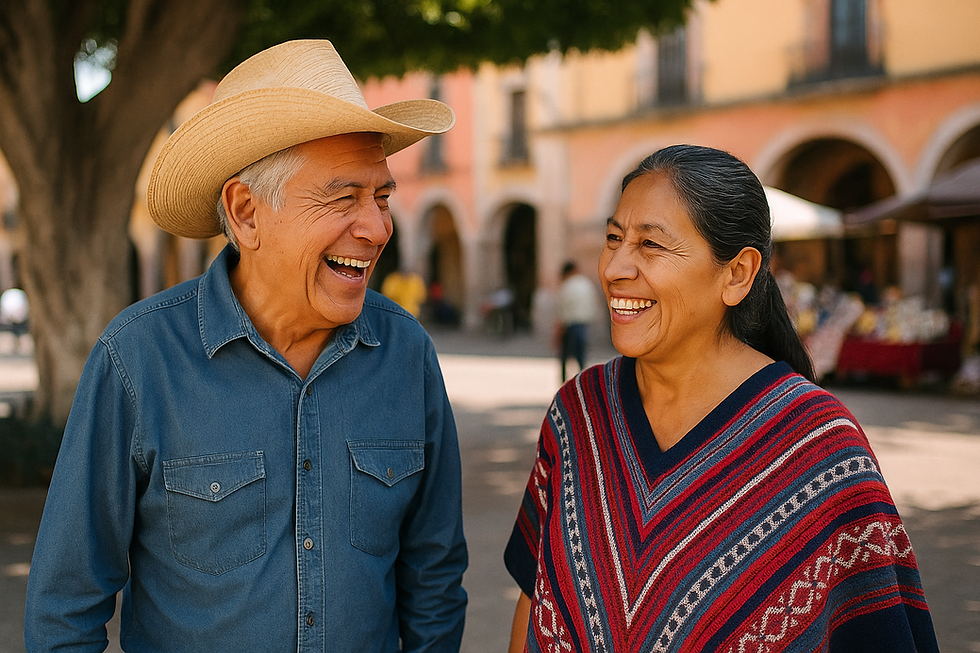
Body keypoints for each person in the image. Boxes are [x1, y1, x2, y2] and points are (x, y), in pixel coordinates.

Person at [25, 40, 467, 652]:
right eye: (344, 198)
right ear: (246, 213)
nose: (377, 227)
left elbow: (434, 580)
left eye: (382, 196)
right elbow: (65, 608)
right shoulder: (138, 361)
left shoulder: (406, 355)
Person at [504, 145, 939, 652]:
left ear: (737, 274)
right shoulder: (578, 409)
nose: (615, 267)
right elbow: (535, 598)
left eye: (650, 245)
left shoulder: (819, 446)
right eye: (613, 238)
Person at [555, 261, 599, 382]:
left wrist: (559, 328)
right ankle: (582, 381)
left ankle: (564, 380)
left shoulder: (567, 285)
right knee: (580, 354)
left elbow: (563, 308)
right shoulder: (586, 283)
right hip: (583, 323)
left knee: (565, 355)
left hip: (569, 324)